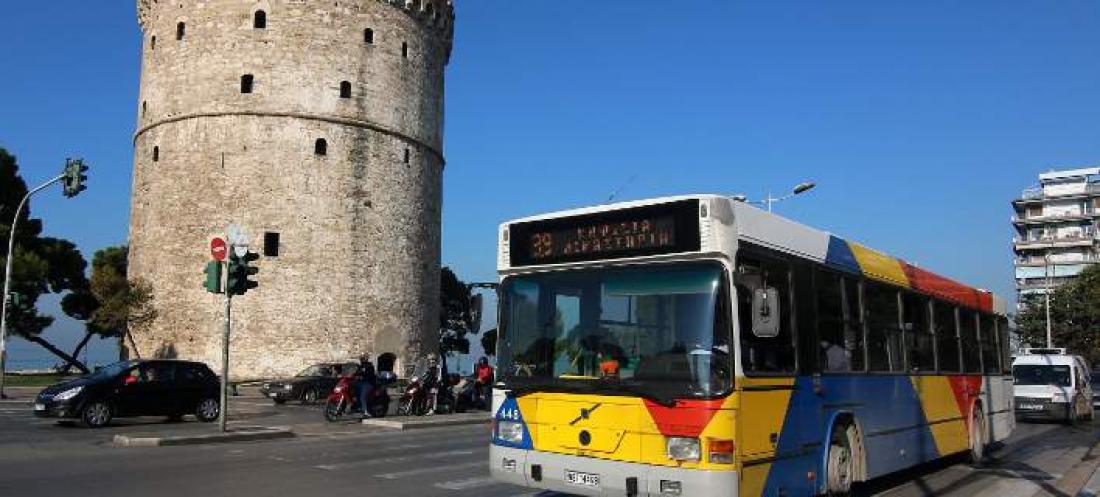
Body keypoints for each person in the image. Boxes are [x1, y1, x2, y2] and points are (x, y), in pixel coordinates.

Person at [356, 353, 378, 419]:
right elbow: (357, 372)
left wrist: (362, 375)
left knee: (363, 396)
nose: (362, 359)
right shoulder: (360, 366)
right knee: (353, 389)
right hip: (362, 383)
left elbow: (368, 374)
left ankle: (365, 412)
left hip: (369, 383)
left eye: (363, 358)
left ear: (366, 359)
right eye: (361, 358)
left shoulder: (369, 365)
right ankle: (357, 406)